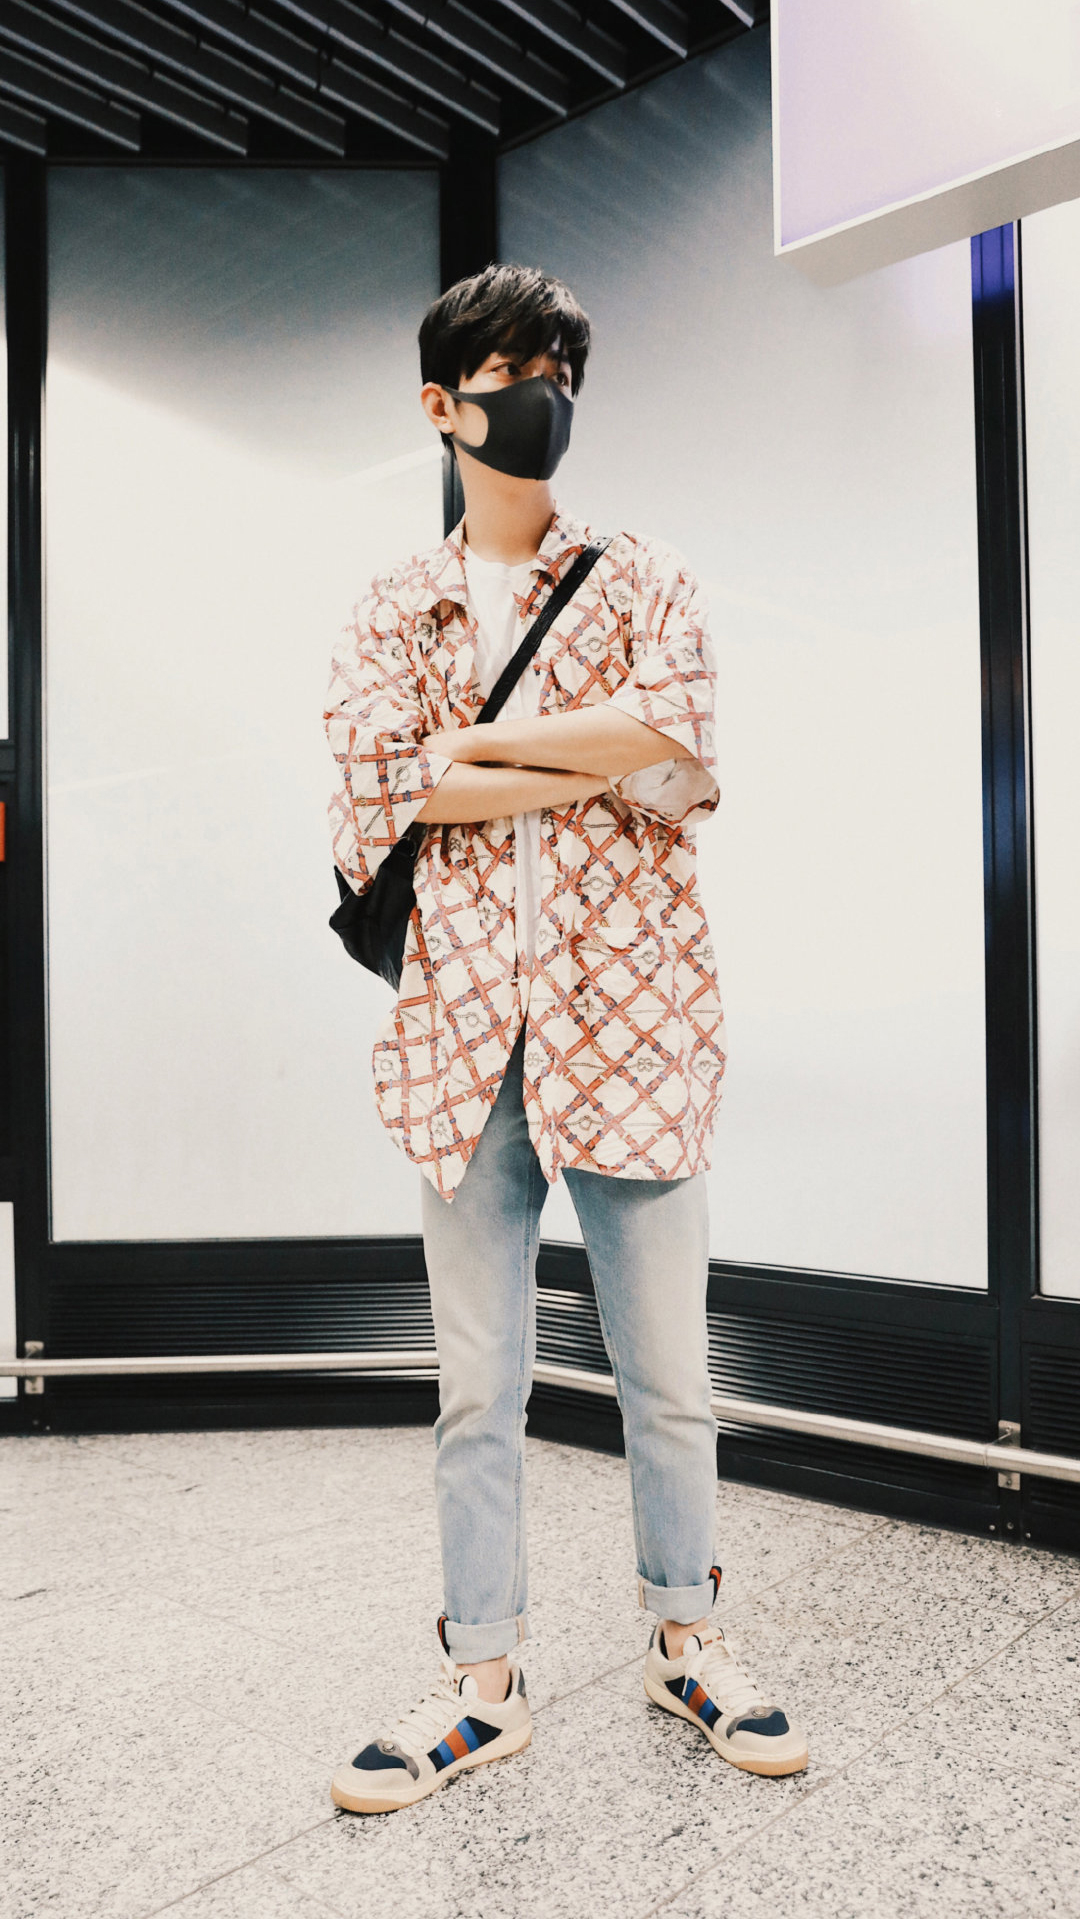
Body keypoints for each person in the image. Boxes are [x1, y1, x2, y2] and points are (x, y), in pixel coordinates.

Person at [324, 262, 809, 1814]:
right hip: (463, 1041)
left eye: (560, 374)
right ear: (442, 403)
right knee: (480, 1387)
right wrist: (576, 754)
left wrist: (468, 747)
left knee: (669, 1376)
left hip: (635, 1027)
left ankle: (688, 1641)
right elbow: (376, 792)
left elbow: (676, 748)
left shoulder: (641, 574)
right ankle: (484, 1678)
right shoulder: (394, 604)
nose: (543, 398)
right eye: (513, 374)